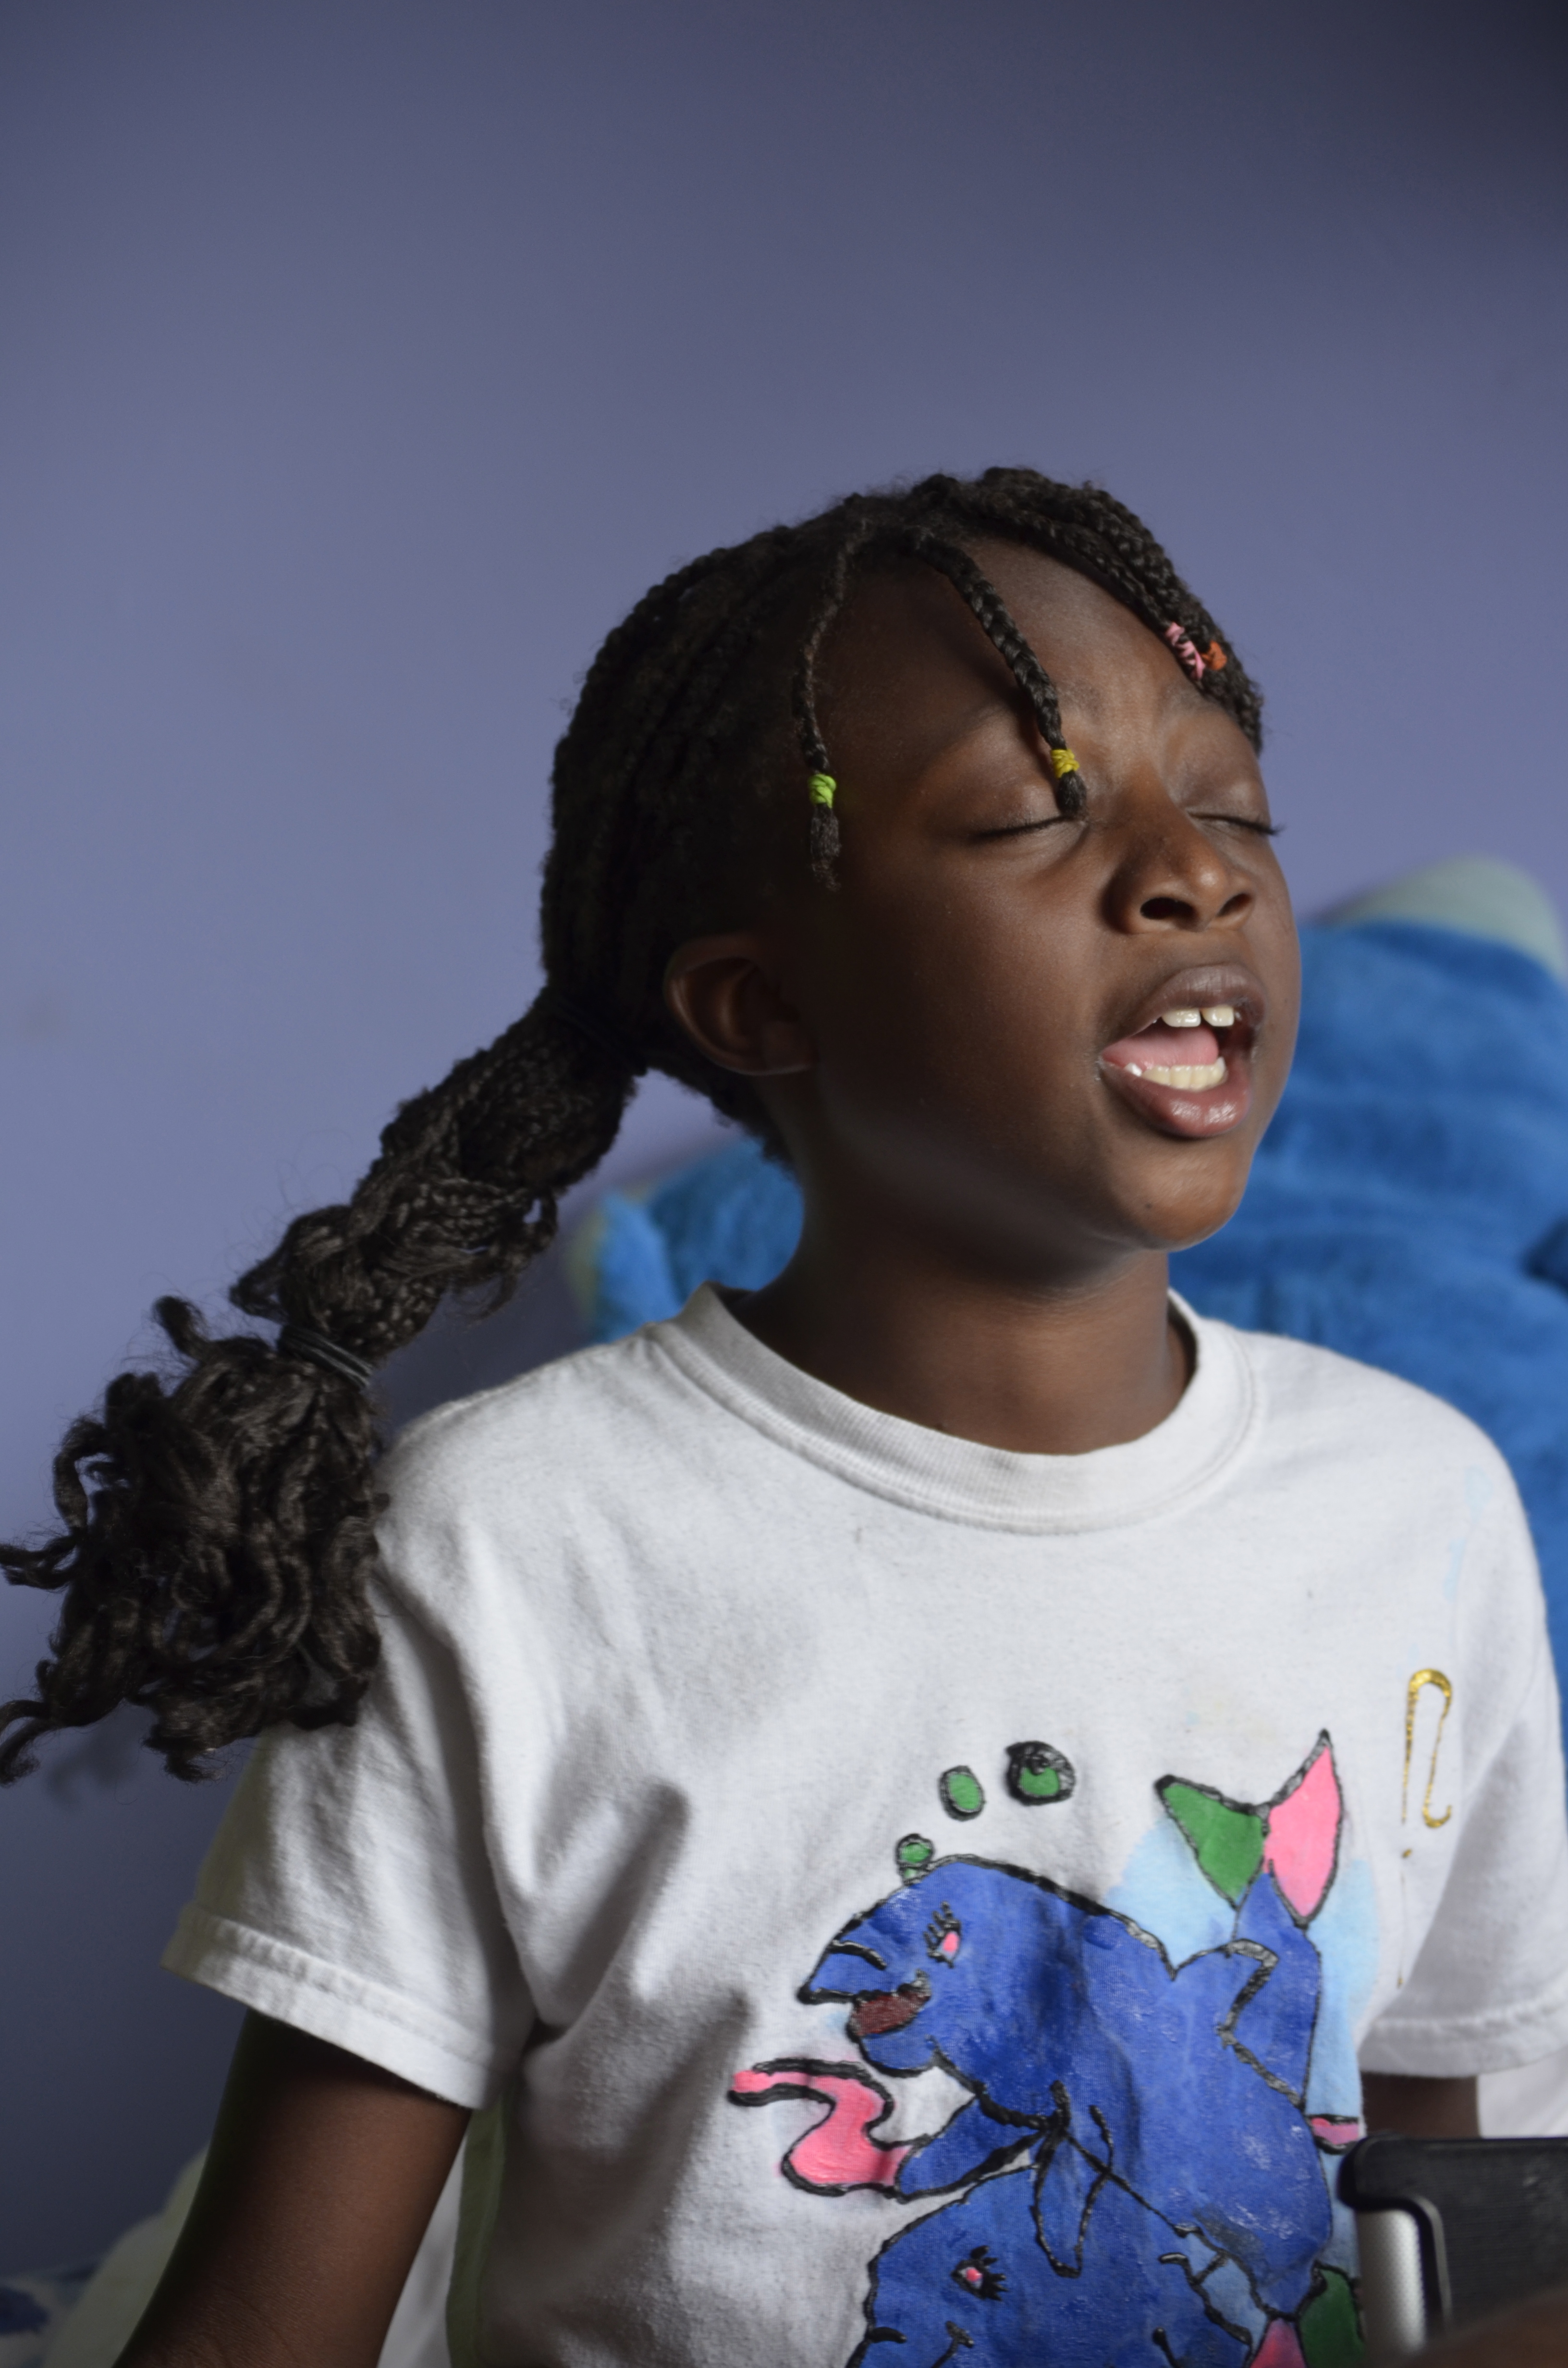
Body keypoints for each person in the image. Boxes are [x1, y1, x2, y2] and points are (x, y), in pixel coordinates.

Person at [6, 470, 1568, 2368]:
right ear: (759, 1006)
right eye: (1031, 813)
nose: (1196, 871)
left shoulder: (1420, 1504)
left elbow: (1454, 2238)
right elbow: (265, 2327)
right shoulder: (511, 1539)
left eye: (1233, 804)